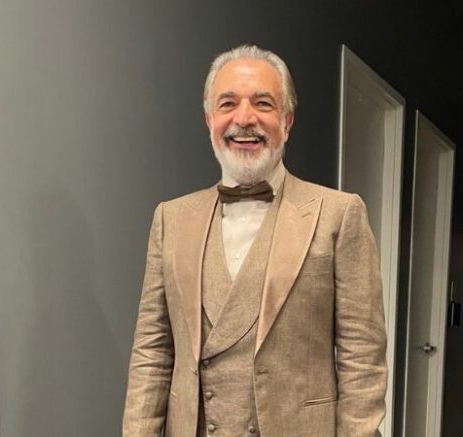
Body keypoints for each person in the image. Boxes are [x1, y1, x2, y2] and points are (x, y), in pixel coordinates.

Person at [123, 44, 387, 437]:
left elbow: (362, 358)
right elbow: (152, 352)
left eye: (263, 103)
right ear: (210, 119)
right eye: (228, 104)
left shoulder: (338, 214)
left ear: (287, 120)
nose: (244, 119)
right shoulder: (171, 219)